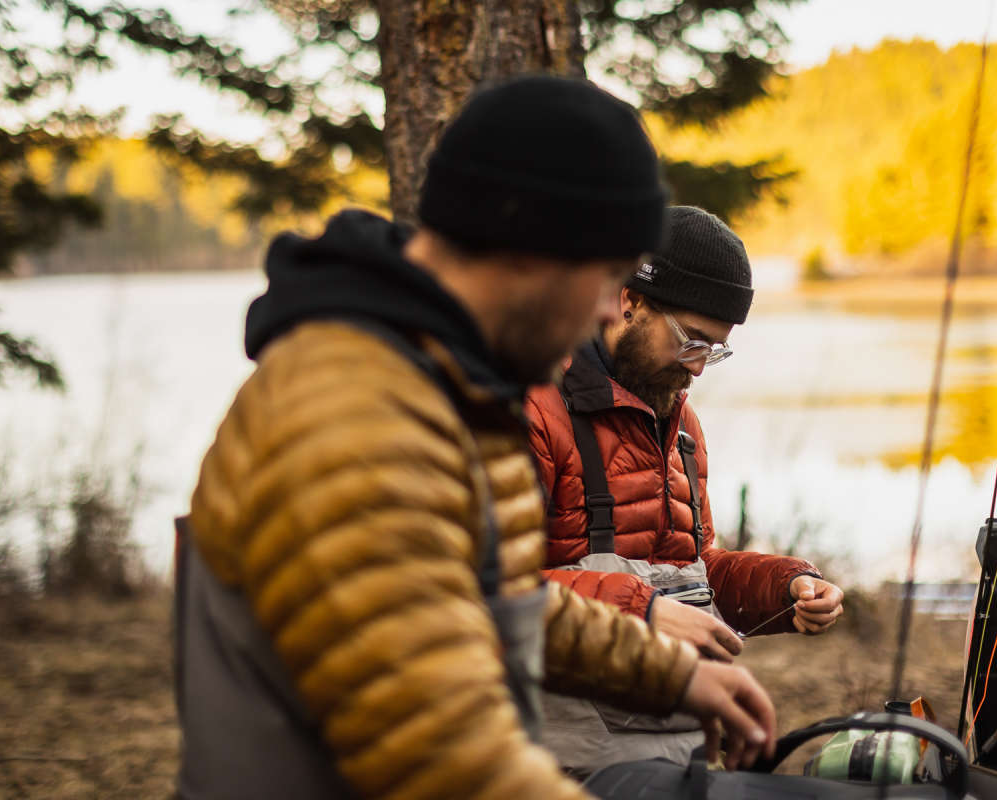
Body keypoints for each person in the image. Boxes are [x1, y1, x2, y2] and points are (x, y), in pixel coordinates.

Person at [174, 78, 778, 800]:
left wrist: (675, 673)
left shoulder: (448, 385)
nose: (603, 313)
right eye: (604, 278)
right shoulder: (353, 413)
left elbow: (497, 603)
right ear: (528, 248)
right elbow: (434, 750)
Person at [526, 205, 845, 774]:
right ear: (631, 301)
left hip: (681, 746)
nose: (697, 368)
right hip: (565, 766)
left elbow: (693, 572)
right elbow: (489, 592)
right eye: (691, 340)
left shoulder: (681, 425)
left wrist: (785, 585)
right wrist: (642, 611)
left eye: (713, 350)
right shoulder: (534, 408)